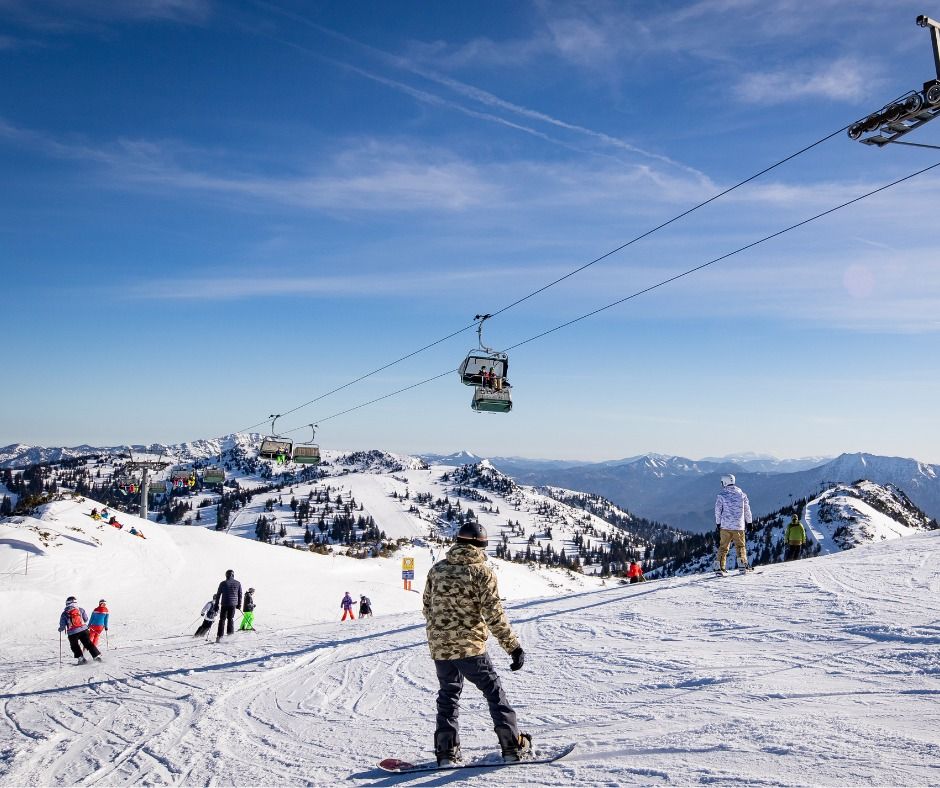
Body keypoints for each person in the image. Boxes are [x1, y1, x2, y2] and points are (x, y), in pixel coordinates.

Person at [423, 521, 531, 766]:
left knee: (448, 695)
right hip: (470, 646)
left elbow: (427, 606)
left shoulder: (437, 569)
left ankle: (446, 751)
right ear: (481, 544)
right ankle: (512, 745)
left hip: (440, 647)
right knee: (493, 691)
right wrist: (513, 647)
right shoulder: (482, 572)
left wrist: (441, 633)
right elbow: (494, 614)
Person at [715, 474, 753, 575]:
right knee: (740, 546)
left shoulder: (721, 495)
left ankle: (719, 567)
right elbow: (747, 510)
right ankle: (742, 566)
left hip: (725, 526)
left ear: (725, 482)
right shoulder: (742, 495)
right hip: (738, 526)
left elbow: (718, 511)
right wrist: (749, 522)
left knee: (723, 547)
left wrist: (718, 523)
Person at [58, 596, 102, 664]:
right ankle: (96, 656)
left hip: (72, 633)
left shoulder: (64, 613)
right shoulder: (80, 609)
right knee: (88, 643)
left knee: (75, 646)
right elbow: (86, 619)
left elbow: (62, 626)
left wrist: (60, 629)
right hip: (83, 630)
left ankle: (81, 659)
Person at [216, 569, 243, 642]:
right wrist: (239, 604)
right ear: (233, 575)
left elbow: (218, 595)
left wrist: (216, 605)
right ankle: (230, 636)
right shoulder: (238, 583)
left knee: (222, 619)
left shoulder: (223, 583)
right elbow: (240, 595)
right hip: (233, 604)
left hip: (224, 603)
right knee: (230, 619)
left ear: (226, 575)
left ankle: (219, 637)